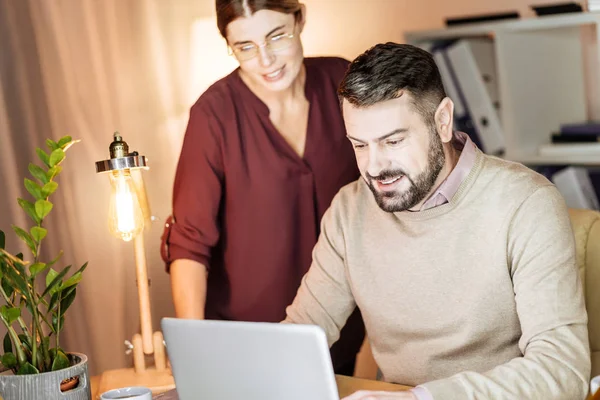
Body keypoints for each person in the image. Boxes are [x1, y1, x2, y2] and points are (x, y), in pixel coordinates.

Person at [284, 42, 591, 399]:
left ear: (442, 121)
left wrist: (421, 399)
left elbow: (562, 368)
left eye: (393, 140)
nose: (374, 166)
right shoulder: (349, 210)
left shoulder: (526, 203)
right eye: (360, 145)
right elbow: (301, 335)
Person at [161, 0, 364, 375]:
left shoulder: (343, 83)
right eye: (245, 47)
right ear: (228, 46)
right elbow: (189, 243)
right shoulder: (213, 115)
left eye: (277, 36)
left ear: (299, 19)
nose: (266, 60)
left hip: (337, 336)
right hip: (244, 343)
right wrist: (192, 353)